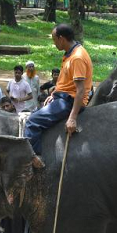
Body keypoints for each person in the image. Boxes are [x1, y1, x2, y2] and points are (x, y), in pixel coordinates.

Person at [24, 24, 93, 156]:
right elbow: (66, 82)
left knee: (32, 122)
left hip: (70, 101)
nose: (54, 43)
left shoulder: (77, 57)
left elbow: (80, 90)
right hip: (62, 97)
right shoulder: (70, 52)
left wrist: (72, 118)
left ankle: (33, 159)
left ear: (61, 39)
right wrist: (55, 94)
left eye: (54, 40)